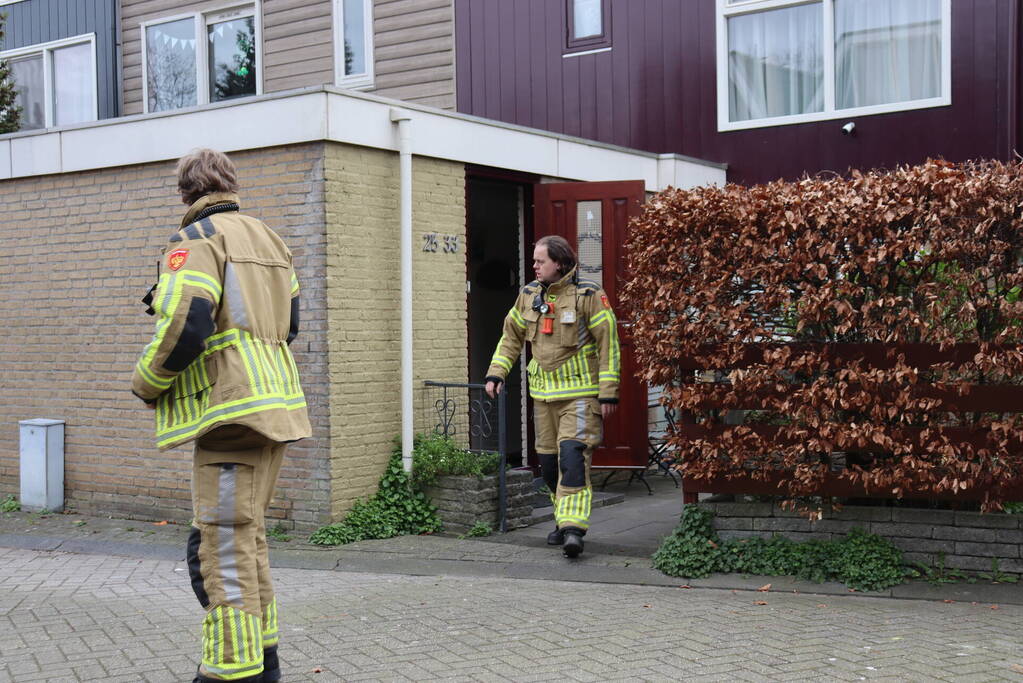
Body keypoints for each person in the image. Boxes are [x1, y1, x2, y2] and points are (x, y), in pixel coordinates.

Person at [131, 148, 311, 683]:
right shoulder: (272, 239)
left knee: (218, 544)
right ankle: (265, 663)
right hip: (275, 409)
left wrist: (147, 382)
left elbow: (188, 323)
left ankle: (231, 672)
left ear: (186, 192)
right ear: (228, 184)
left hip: (232, 413)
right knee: (247, 538)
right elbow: (290, 324)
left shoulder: (196, 241)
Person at [485, 235, 620, 558]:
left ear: (559, 262)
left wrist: (608, 393)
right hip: (542, 397)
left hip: (581, 397)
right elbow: (510, 338)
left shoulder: (588, 295)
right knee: (548, 466)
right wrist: (496, 372)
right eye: (534, 260)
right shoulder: (529, 296)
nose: (534, 266)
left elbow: (608, 346)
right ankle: (563, 520)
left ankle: (573, 529)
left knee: (572, 459)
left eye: (540, 260)